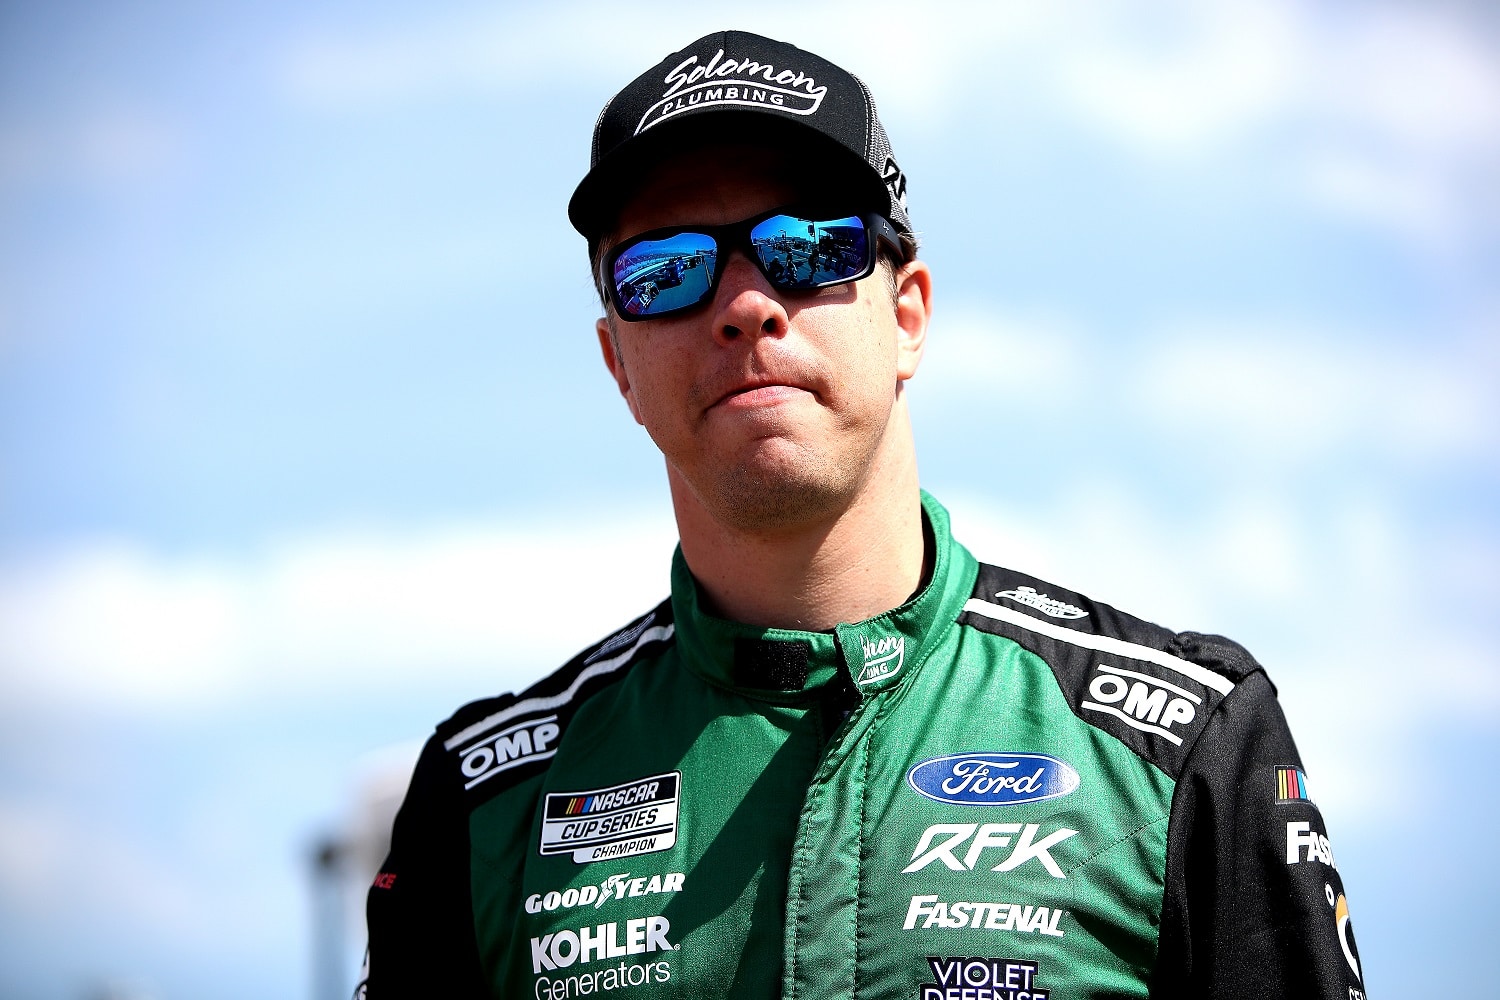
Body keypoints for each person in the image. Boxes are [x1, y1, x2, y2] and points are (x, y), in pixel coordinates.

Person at [358, 30, 1364, 1000]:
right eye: (665, 269)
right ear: (618, 363)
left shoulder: (1185, 745)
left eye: (806, 248)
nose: (747, 303)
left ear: (910, 315)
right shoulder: (484, 800)